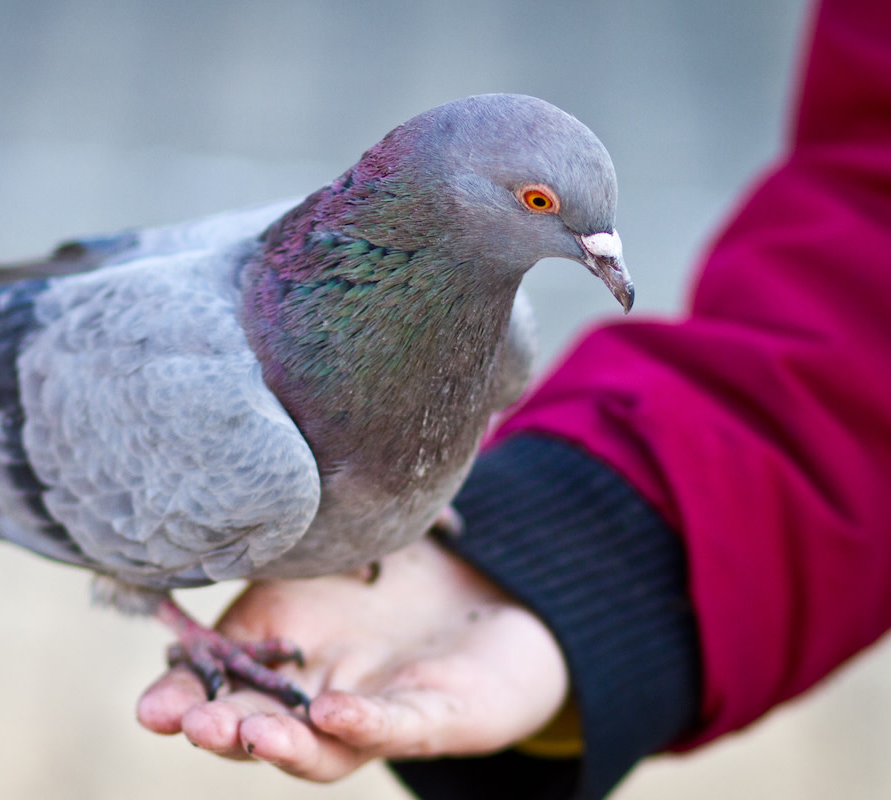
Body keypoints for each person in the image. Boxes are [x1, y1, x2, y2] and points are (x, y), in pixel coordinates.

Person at [136, 0, 891, 796]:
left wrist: (542, 572)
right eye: (539, 204)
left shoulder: (500, 333)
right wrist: (577, 569)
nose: (611, 266)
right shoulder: (204, 386)